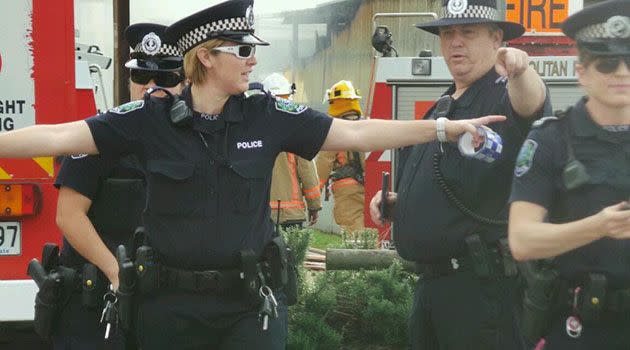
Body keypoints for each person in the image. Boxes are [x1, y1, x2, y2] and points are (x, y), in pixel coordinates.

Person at [1, 0, 505, 348]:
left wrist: (442, 127)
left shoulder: (267, 115)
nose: (253, 60)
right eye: (242, 50)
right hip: (166, 308)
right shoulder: (149, 120)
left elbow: (355, 134)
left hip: (247, 307)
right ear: (205, 57)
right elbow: (57, 136)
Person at [368, 0, 550, 348]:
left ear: (497, 38)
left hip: (480, 288)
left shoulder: (502, 93)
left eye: (468, 33)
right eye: (448, 33)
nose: (455, 42)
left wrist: (521, 70)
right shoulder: (442, 106)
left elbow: (532, 105)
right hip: (433, 286)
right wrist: (398, 202)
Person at [51, 23, 184, 350]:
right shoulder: (101, 134)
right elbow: (69, 216)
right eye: (141, 77)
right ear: (129, 80)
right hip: (97, 303)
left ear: (185, 82)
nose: (152, 87)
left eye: (165, 78)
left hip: (166, 304)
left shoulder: (193, 143)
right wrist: (118, 274)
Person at [508, 1, 630, 348]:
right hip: (581, 329)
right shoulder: (551, 140)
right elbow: (522, 240)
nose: (622, 72)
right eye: (607, 63)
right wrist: (599, 226)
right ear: (582, 72)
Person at [261, 73, 321, 230]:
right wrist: (314, 205)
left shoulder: (253, 130)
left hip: (260, 214)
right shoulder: (297, 130)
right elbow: (307, 171)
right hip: (291, 214)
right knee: (291, 253)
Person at [316, 80, 366, 235]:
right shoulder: (365, 125)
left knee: (351, 225)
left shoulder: (334, 130)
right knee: (366, 223)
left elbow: (324, 163)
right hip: (368, 186)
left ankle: (357, 257)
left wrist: (314, 190)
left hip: (346, 188)